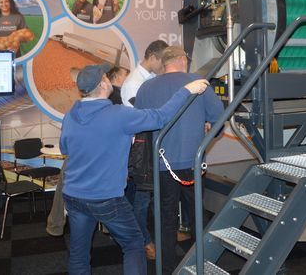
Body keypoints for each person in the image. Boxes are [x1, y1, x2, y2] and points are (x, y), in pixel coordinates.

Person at [60, 64, 210, 275]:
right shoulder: (119, 115)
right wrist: (186, 90)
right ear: (103, 84)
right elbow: (160, 117)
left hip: (73, 196)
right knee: (133, 245)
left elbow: (65, 149)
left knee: (78, 253)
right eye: (106, 77)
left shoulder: (70, 116)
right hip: (106, 198)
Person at [135, 46, 224, 274]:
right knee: (197, 215)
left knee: (166, 218)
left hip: (161, 164)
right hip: (193, 162)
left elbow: (140, 124)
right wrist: (208, 135)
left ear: (164, 63)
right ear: (183, 60)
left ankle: (166, 268)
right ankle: (202, 262)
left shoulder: (146, 88)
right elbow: (219, 120)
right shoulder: (199, 83)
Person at [121, 39, 168, 259]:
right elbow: (143, 118)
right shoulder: (134, 83)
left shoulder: (148, 80)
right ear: (154, 58)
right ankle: (145, 242)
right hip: (140, 152)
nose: (164, 66)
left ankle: (139, 238)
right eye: (163, 61)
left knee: (141, 200)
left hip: (147, 148)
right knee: (139, 201)